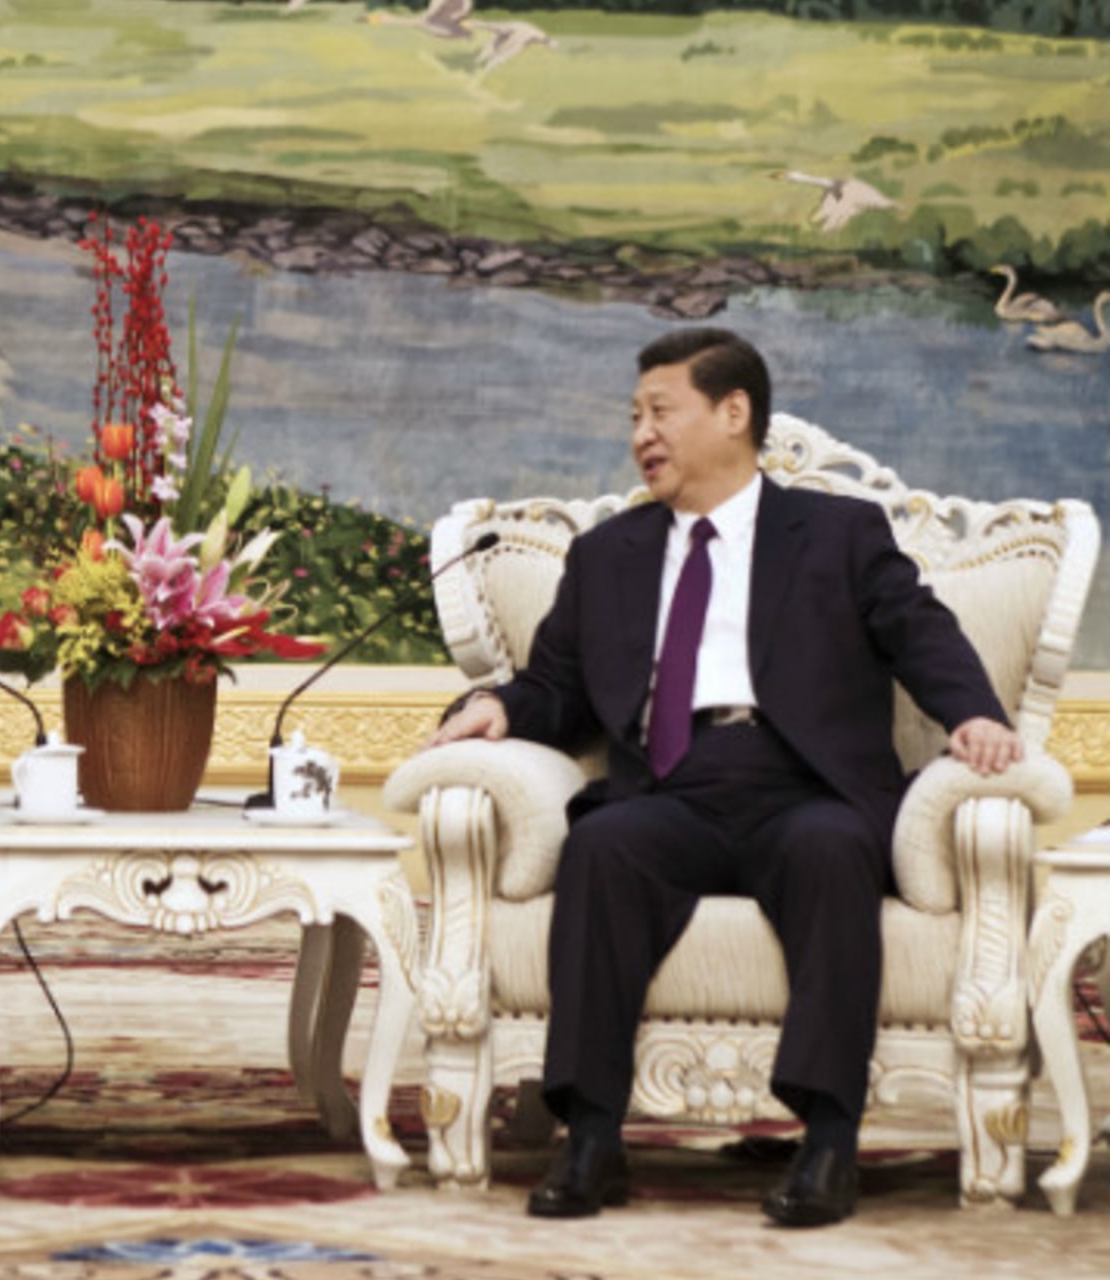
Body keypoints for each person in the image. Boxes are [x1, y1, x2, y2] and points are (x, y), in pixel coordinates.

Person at [427, 328, 1021, 1228]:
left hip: (804, 786)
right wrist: (500, 709)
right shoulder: (608, 555)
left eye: (661, 410)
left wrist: (975, 712)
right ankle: (591, 1136)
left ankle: (828, 1141)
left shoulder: (838, 533)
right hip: (671, 788)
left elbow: (919, 630)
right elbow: (559, 684)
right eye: (634, 416)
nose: (641, 434)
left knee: (831, 853)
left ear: (733, 413)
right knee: (604, 848)